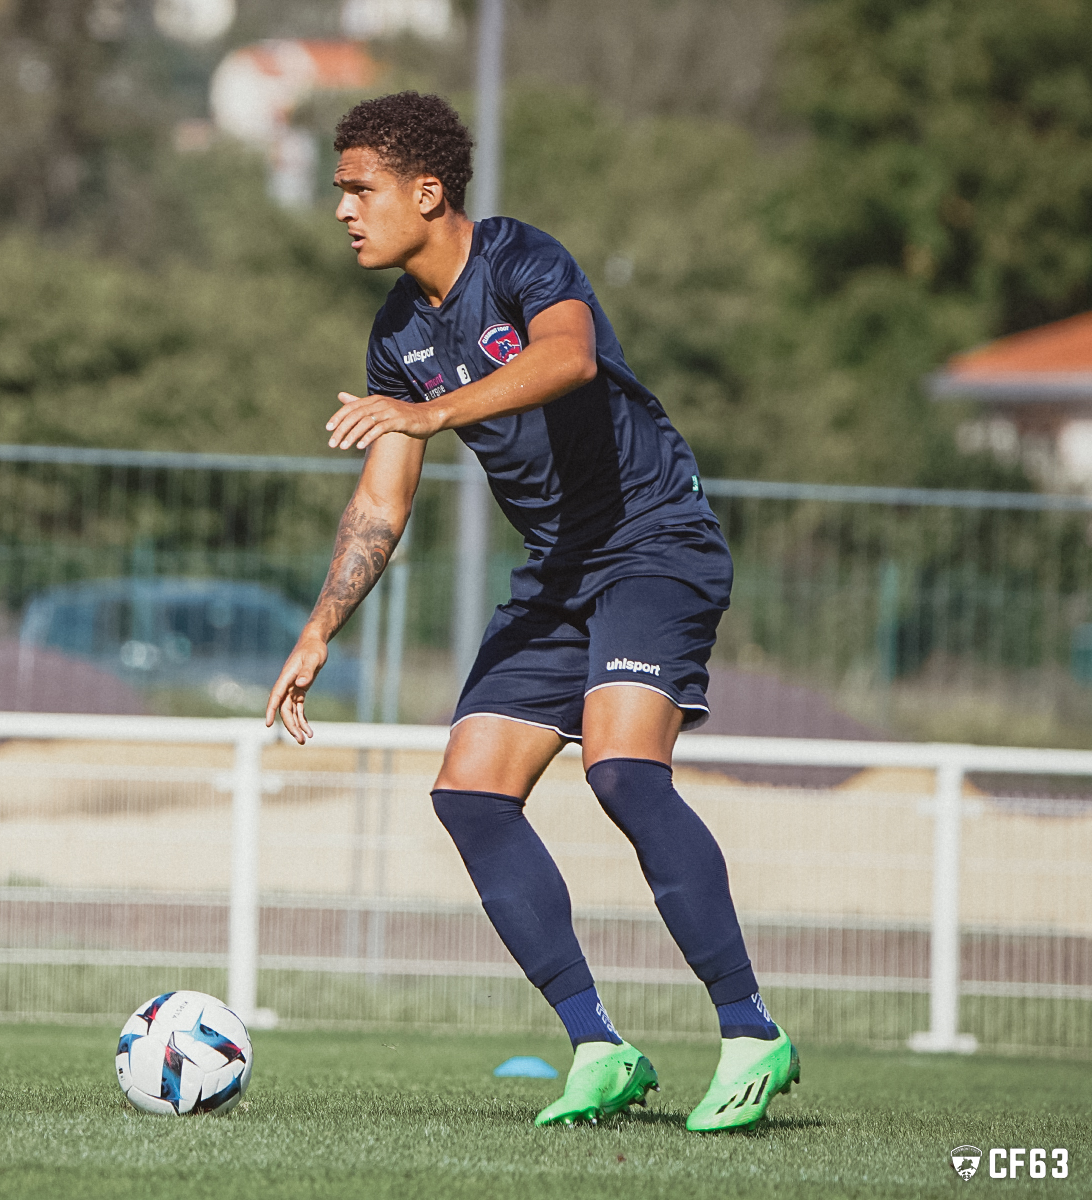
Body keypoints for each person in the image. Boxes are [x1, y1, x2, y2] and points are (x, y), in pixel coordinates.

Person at [264, 91, 799, 1132]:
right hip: (557, 572)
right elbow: (381, 502)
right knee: (469, 792)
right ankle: (600, 1046)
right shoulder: (397, 333)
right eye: (340, 191)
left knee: (621, 769)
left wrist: (429, 412)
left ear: (427, 192)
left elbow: (569, 359)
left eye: (359, 189)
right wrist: (319, 627)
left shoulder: (518, 258)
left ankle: (750, 1033)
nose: (343, 210)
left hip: (655, 543)